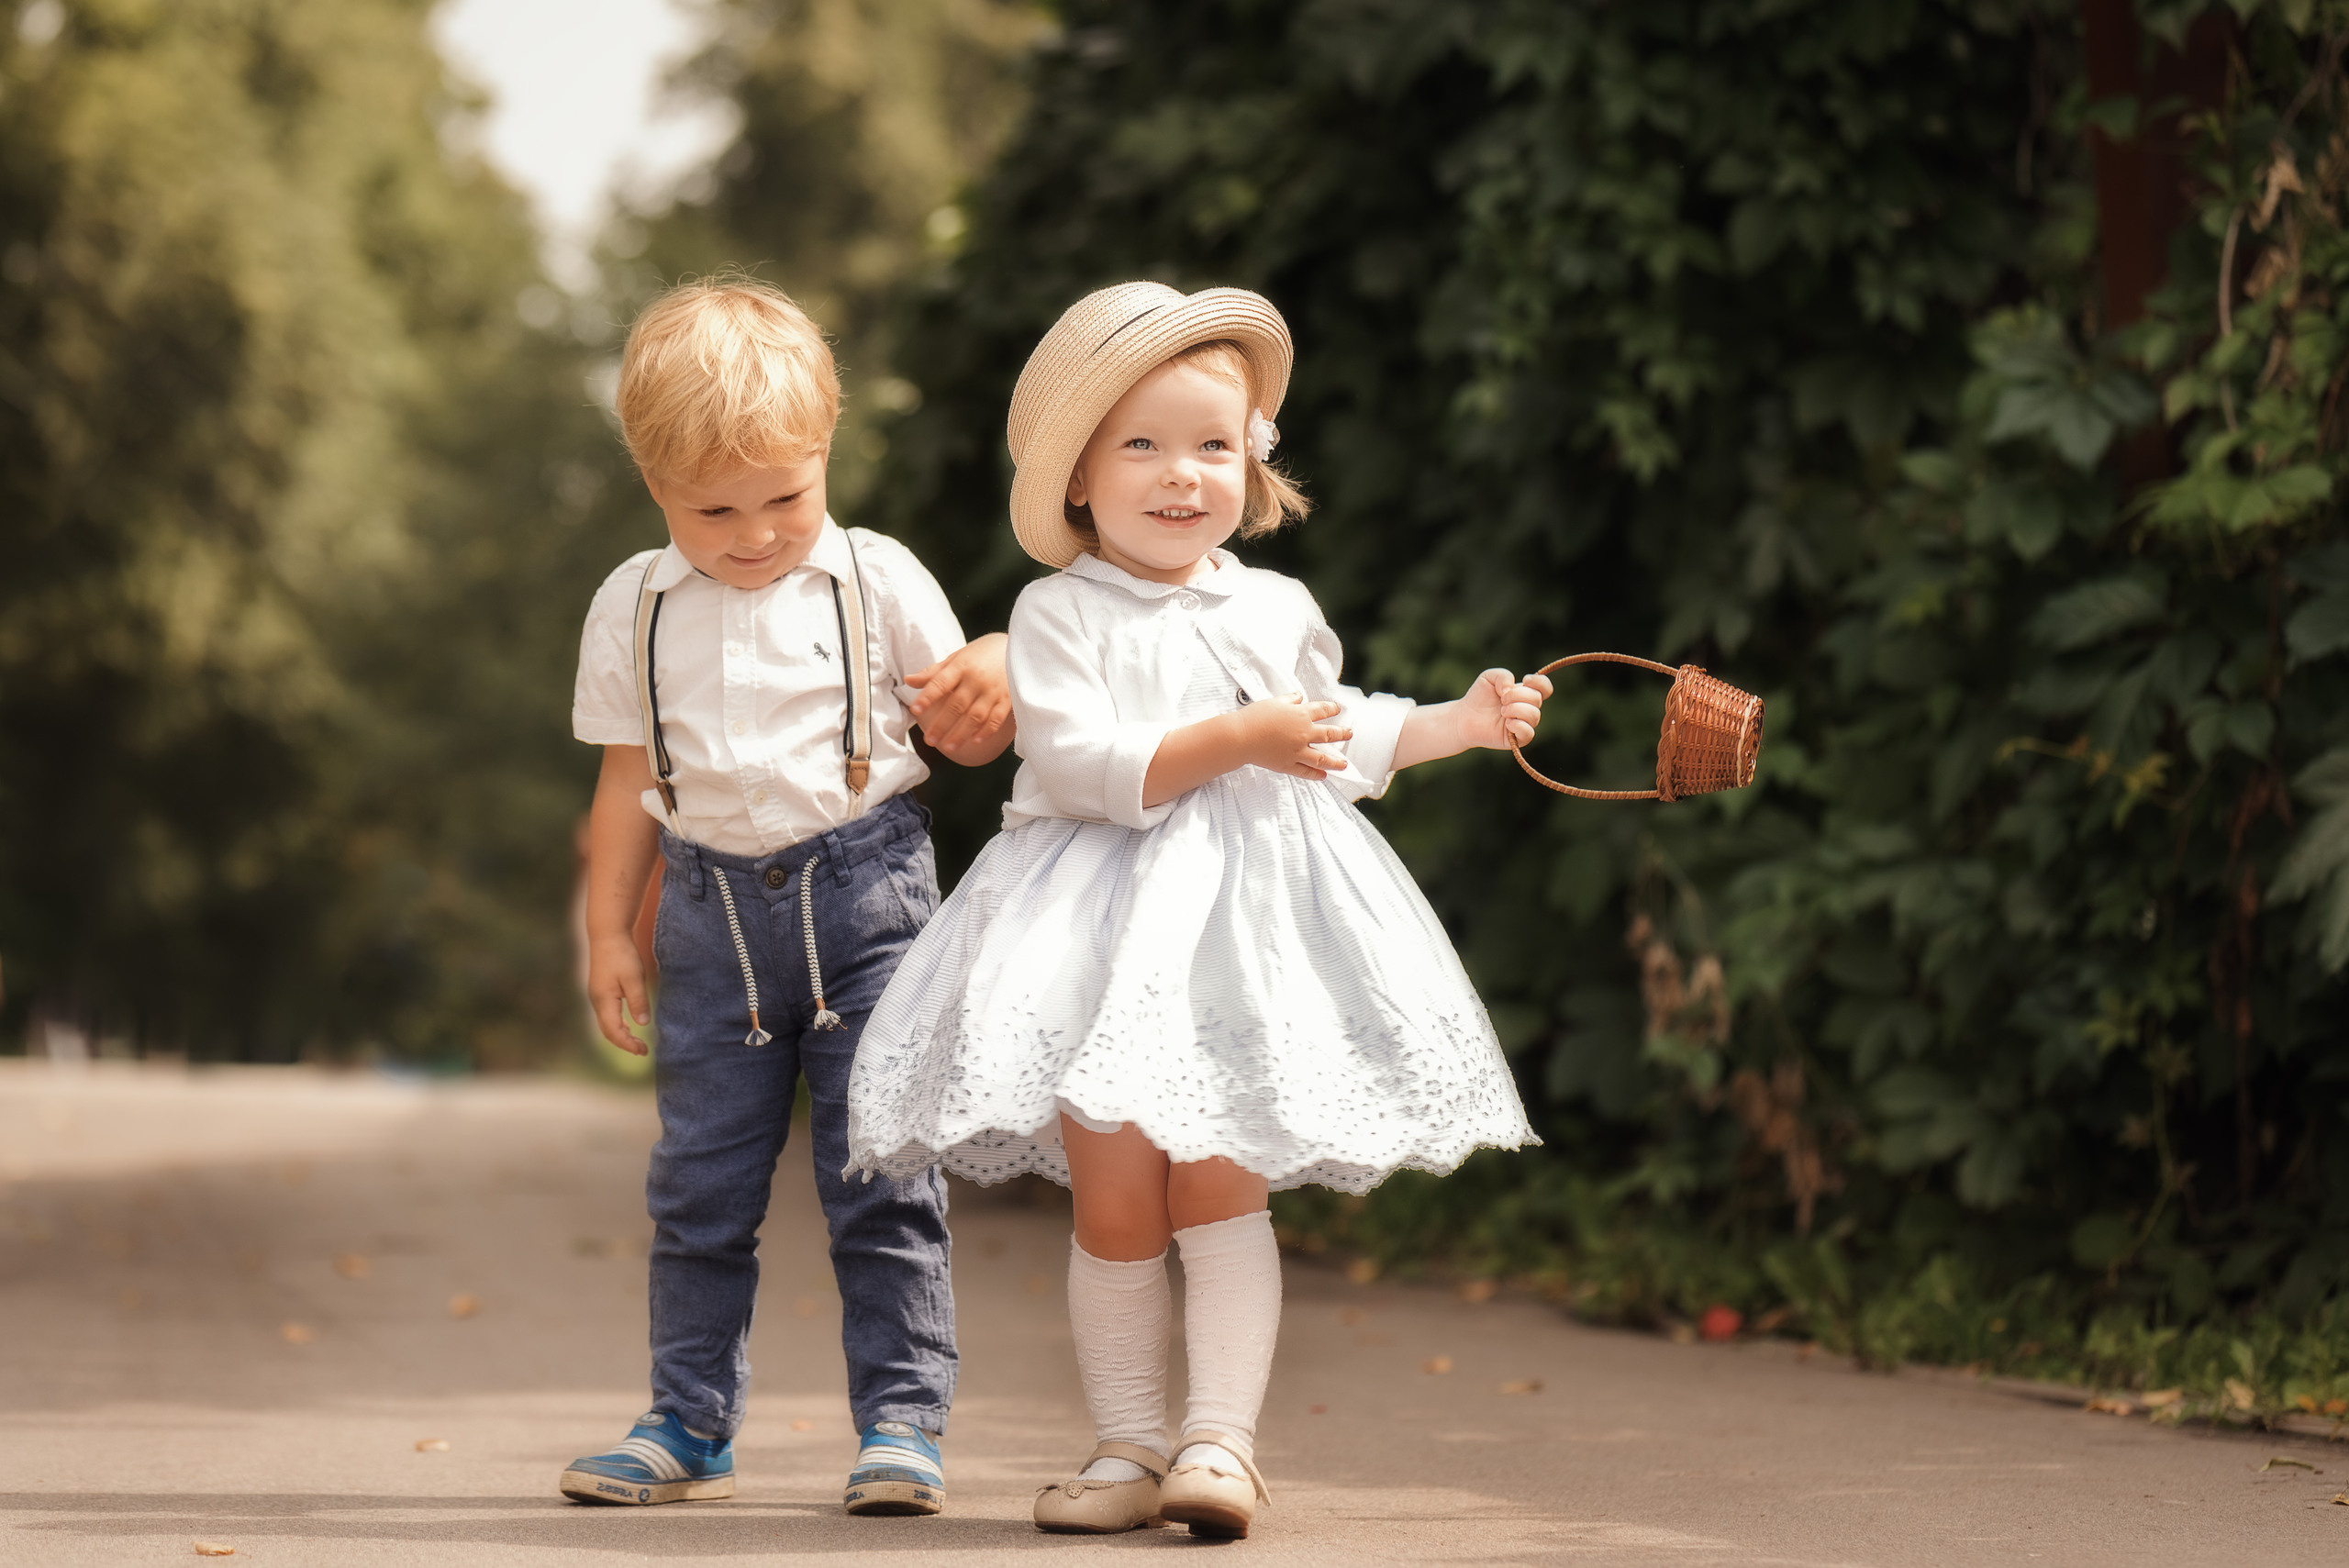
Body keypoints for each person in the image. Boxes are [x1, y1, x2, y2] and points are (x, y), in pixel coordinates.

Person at [844, 283, 1548, 1539]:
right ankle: (1124, 1444)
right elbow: (1082, 767)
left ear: (1255, 464)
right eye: (1144, 445)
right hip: (1095, 936)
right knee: (1117, 1201)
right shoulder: (1059, 614)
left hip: (1232, 942)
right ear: (1079, 479)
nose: (1183, 476)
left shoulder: (1274, 608)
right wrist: (1235, 735)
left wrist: (1461, 722)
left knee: (1220, 1188)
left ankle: (1219, 1439)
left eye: (1214, 445)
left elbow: (1341, 734)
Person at [561, 275, 1013, 1517]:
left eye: (786, 497)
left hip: (868, 898)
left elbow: (967, 731)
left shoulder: (877, 577)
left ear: (826, 454)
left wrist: (997, 675)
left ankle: (904, 1425)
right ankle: (688, 1419)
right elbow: (623, 782)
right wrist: (611, 926)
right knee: (701, 1183)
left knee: (883, 1174)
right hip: (708, 920)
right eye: (714, 508)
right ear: (654, 486)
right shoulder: (635, 606)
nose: (756, 531)